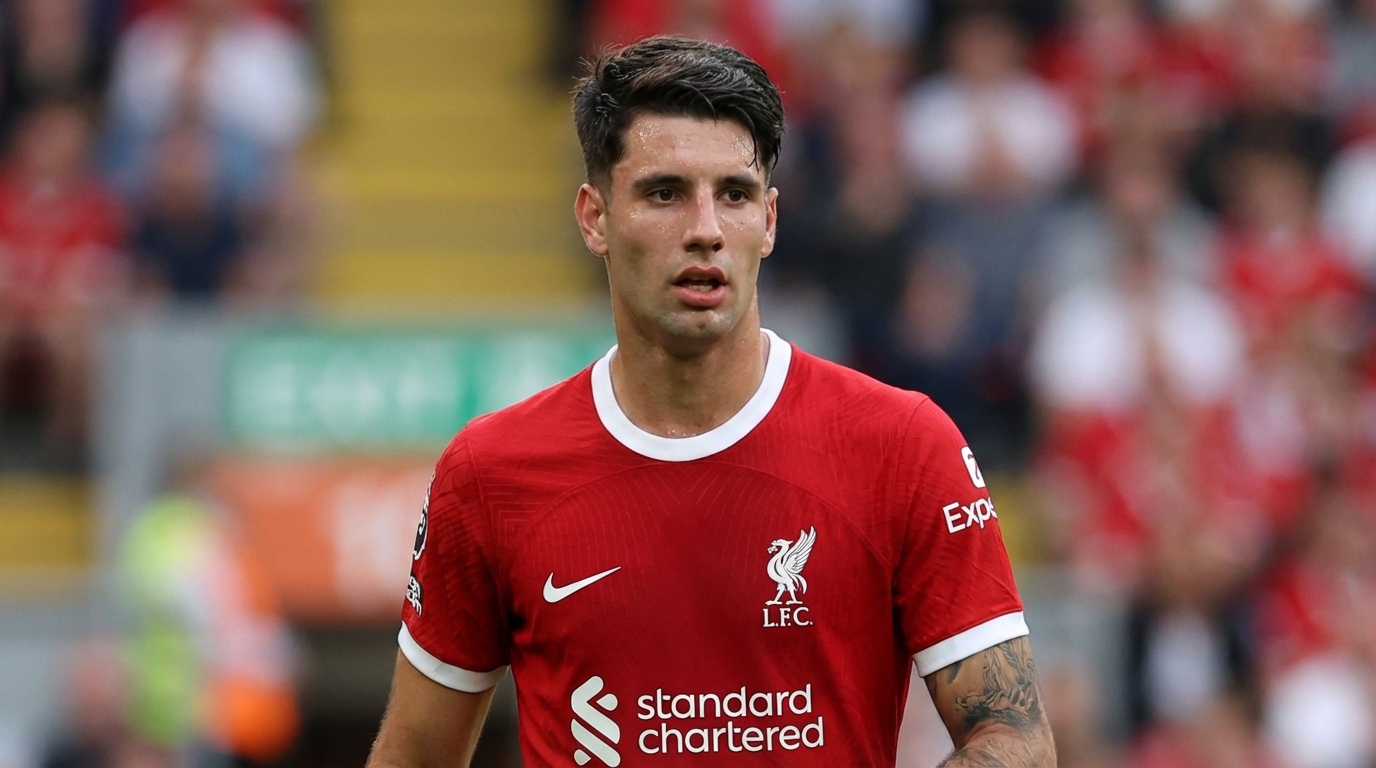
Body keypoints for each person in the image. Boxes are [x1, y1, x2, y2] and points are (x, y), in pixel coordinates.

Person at [367, 36, 1055, 768]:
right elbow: (413, 757)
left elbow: (1014, 738)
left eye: (734, 194)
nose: (705, 230)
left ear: (770, 220)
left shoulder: (902, 443)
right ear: (595, 218)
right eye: (665, 193)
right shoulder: (490, 472)